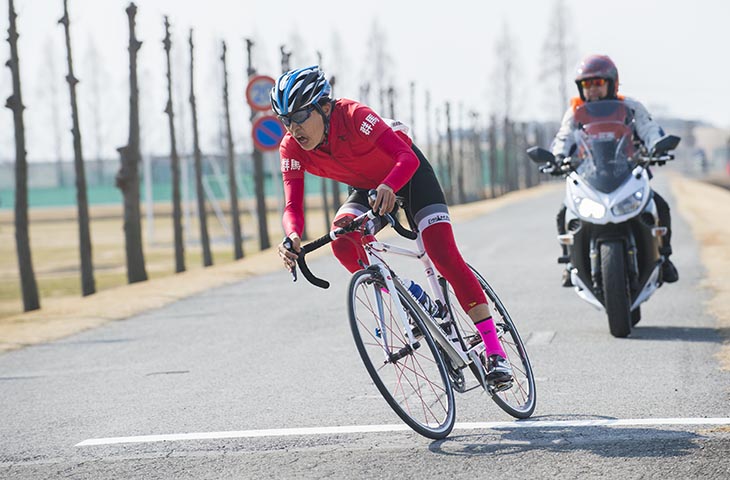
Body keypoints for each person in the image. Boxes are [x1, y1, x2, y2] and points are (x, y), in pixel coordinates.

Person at [271, 65, 512, 386]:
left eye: (300, 116)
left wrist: (389, 185)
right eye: (285, 120)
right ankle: (412, 298)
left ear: (324, 107)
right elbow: (292, 206)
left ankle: (495, 352)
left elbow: (406, 157)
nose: (293, 128)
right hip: (368, 190)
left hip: (409, 177)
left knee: (442, 254)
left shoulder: (355, 116)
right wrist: (292, 236)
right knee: (343, 239)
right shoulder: (291, 147)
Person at [551, 54, 679, 286]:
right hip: (590, 177)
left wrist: (656, 146)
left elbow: (648, 129)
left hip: (628, 173)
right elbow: (564, 136)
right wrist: (558, 156)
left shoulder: (630, 107)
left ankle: (666, 257)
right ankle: (569, 263)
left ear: (612, 83)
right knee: (563, 214)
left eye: (597, 83)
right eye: (587, 85)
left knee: (660, 206)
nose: (592, 90)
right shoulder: (576, 112)